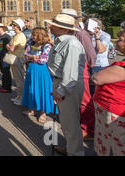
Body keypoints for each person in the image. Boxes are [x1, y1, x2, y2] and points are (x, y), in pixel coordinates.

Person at [46, 14, 86, 156]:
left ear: (62, 28)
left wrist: (61, 91)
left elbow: (71, 72)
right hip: (60, 81)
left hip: (67, 85)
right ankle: (71, 148)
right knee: (65, 120)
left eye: (53, 25)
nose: (50, 26)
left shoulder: (72, 44)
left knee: (71, 122)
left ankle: (76, 152)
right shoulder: (61, 41)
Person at [61, 9, 97, 140]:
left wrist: (90, 70)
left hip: (80, 69)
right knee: (74, 100)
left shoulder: (80, 34)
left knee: (84, 100)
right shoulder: (68, 33)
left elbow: (91, 55)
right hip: (68, 69)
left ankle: (89, 129)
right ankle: (79, 125)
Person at [91, 27, 125, 156]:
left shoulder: (124, 67)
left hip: (114, 113)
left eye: (120, 39)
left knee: (117, 147)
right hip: (110, 110)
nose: (116, 41)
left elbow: (97, 78)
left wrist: (93, 76)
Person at [21, 27, 55, 124]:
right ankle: (33, 108)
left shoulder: (47, 45)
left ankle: (43, 112)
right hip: (31, 70)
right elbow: (25, 55)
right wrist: (33, 57)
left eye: (34, 34)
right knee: (32, 89)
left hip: (42, 71)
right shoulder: (30, 43)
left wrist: (31, 57)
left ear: (40, 35)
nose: (32, 36)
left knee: (42, 90)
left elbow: (43, 60)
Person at [6, 18, 27, 105]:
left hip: (17, 58)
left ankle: (22, 98)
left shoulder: (20, 36)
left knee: (19, 79)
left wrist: (8, 46)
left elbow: (11, 48)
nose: (12, 26)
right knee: (17, 78)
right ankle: (19, 96)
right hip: (14, 58)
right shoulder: (16, 35)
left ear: (18, 26)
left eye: (14, 25)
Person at [0, 23, 12, 93]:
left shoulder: (7, 37)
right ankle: (4, 86)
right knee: (3, 72)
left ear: (3, 28)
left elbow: (9, 47)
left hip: (5, 57)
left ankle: (7, 87)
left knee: (6, 71)